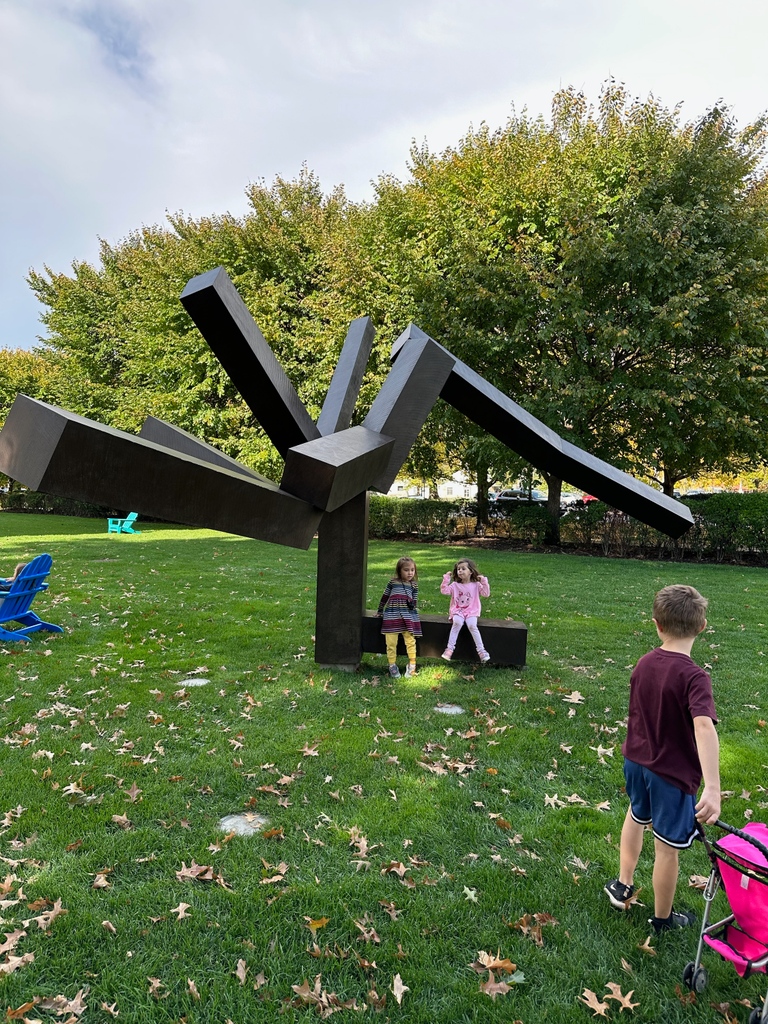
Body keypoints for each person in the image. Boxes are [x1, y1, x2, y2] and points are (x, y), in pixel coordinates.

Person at [604, 584, 721, 933]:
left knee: (636, 814)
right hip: (669, 774)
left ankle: (623, 883)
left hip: (636, 763)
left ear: (656, 624)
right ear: (701, 627)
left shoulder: (644, 663)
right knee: (667, 848)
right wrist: (712, 787)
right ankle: (663, 919)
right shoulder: (695, 677)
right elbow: (704, 727)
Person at [376, 556, 421, 678]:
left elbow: (414, 601)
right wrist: (380, 610)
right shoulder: (393, 582)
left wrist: (413, 607)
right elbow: (385, 596)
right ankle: (392, 665)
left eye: (412, 570)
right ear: (399, 570)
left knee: (410, 641)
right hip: (392, 616)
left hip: (407, 616)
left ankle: (412, 664)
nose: (410, 572)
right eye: (406, 570)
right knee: (391, 643)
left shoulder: (414, 585)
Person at [440, 558, 491, 663]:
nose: (460, 571)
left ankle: (482, 651)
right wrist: (446, 579)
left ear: (470, 572)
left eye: (463, 569)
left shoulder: (476, 585)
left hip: (472, 612)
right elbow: (444, 591)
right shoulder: (455, 585)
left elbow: (486, 594)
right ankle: (449, 649)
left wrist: (484, 582)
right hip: (458, 611)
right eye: (458, 569)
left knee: (472, 625)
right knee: (457, 622)